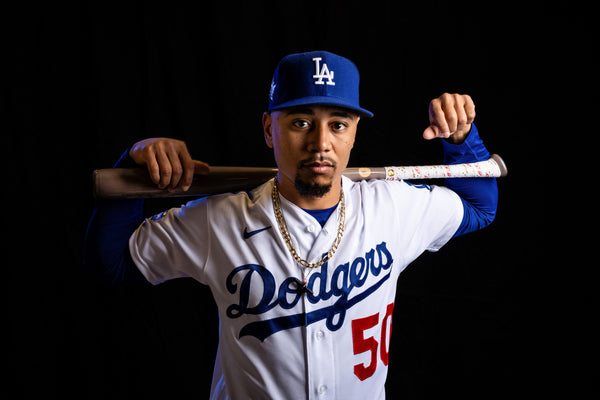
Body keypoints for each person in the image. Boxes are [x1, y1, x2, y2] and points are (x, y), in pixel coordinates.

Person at [85, 50, 498, 399]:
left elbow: (479, 206)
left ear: (354, 133)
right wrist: (135, 171)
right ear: (270, 129)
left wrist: (461, 139)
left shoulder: (393, 206)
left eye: (338, 124)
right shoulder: (219, 218)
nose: (321, 143)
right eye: (300, 122)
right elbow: (112, 265)